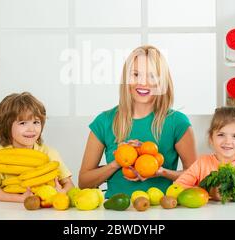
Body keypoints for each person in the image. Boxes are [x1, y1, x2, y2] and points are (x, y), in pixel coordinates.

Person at [78, 45, 197, 198]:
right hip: (116, 213)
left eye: (152, 76)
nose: (143, 83)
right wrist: (117, 163)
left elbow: (195, 177)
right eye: (135, 74)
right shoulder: (104, 121)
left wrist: (162, 172)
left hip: (161, 212)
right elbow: (83, 182)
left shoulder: (177, 122)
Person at [0, 92, 74, 202]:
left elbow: (69, 184)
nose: (31, 129)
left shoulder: (49, 153)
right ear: (6, 126)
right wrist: (20, 198)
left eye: (36, 122)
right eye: (23, 123)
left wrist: (62, 192)